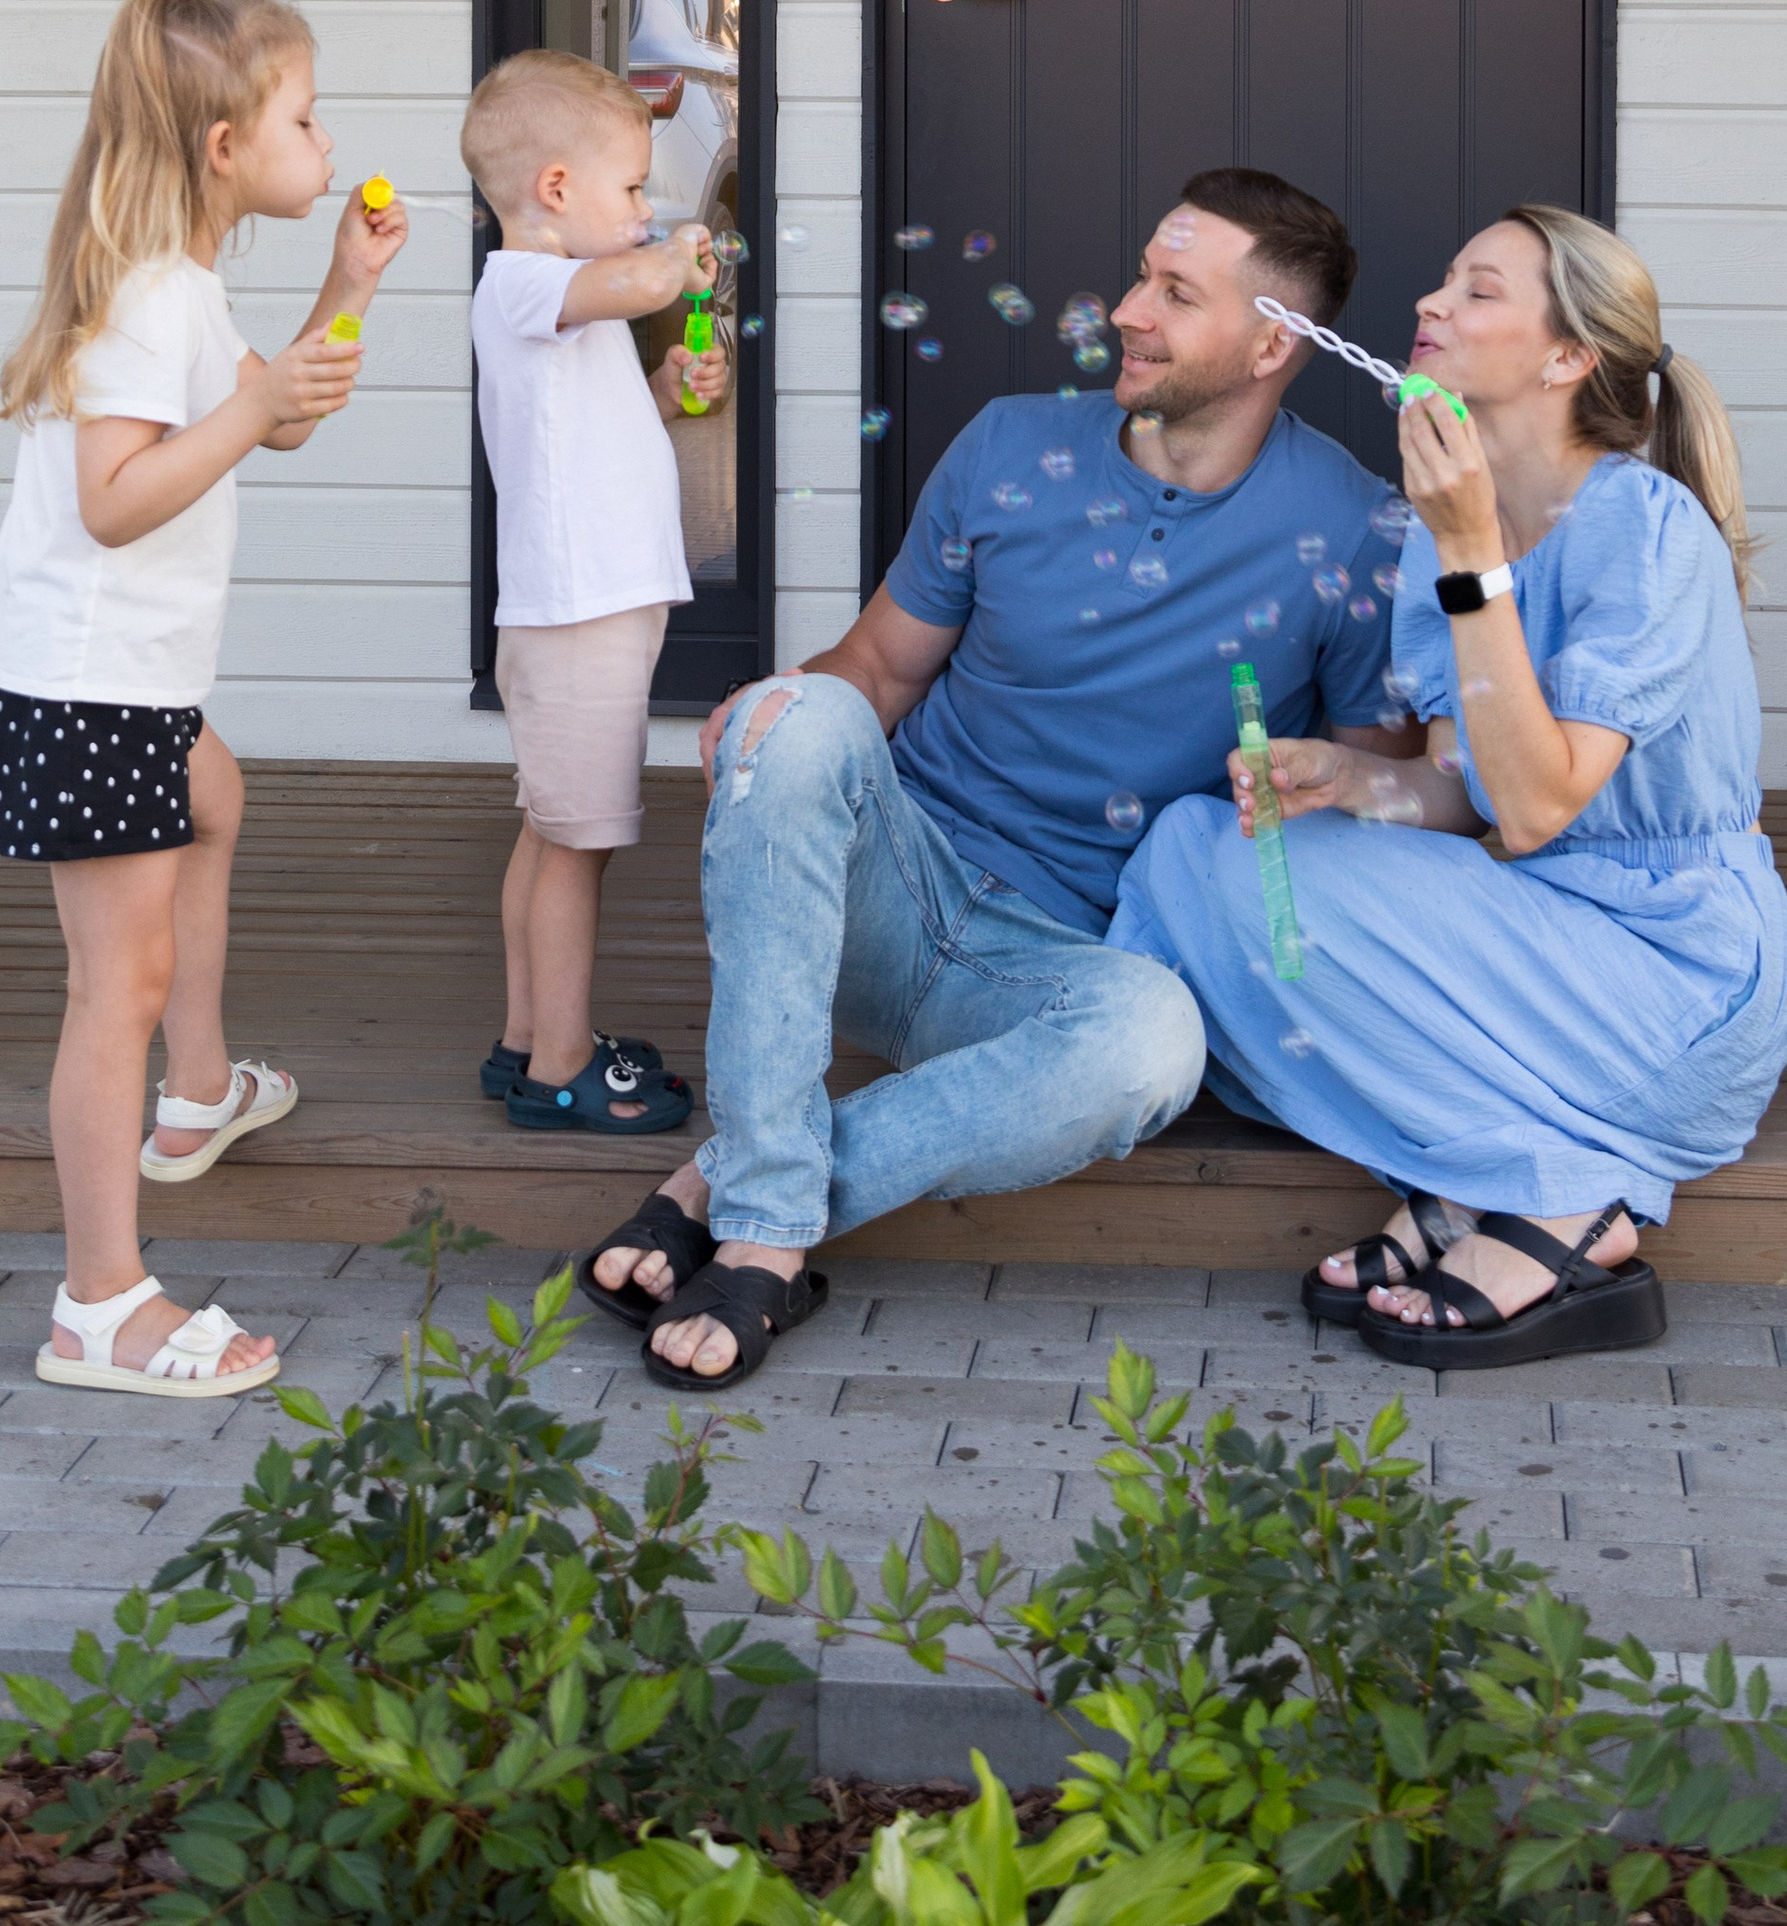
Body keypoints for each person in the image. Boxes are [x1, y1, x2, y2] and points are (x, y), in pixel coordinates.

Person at [578, 166, 1397, 1390]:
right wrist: (776, 712)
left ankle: (739, 1184)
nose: (1127, 309)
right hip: (885, 892)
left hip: (1062, 961)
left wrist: (1318, 776)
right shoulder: (1011, 446)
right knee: (794, 717)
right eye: (1139, 276)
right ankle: (764, 1240)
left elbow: (1369, 791)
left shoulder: (1350, 525)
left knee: (1153, 1048)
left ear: (1273, 340)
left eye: (1174, 293)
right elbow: (875, 670)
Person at [1112, 204, 1787, 1375]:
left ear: (1567, 356)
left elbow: (1538, 809)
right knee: (1194, 848)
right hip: (1538, 931)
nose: (1429, 305)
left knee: (1239, 891)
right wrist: (1345, 779)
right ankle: (1483, 1163)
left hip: (1673, 983)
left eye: (1476, 291)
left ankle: (1563, 1195)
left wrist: (1476, 553)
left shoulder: (1646, 530)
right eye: (1441, 279)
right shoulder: (1435, 534)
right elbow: (1459, 796)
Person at [0, 0, 403, 1399]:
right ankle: (99, 1302)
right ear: (226, 147)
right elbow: (113, 501)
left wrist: (342, 292)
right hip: (91, 686)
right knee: (118, 985)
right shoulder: (154, 296)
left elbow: (261, 427)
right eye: (302, 112)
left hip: (128, 684)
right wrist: (250, 406)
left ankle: (202, 1087)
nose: (323, 135)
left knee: (213, 796)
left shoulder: (184, 279)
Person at [465, 45, 720, 1139]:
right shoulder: (526, 281)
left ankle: (528, 1040)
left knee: (551, 831)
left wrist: (667, 386)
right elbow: (644, 276)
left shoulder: (566, 305)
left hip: (582, 610)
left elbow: (595, 430)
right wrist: (685, 254)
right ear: (555, 191)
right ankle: (566, 1063)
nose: (645, 209)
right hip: (579, 617)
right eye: (630, 188)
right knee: (580, 842)